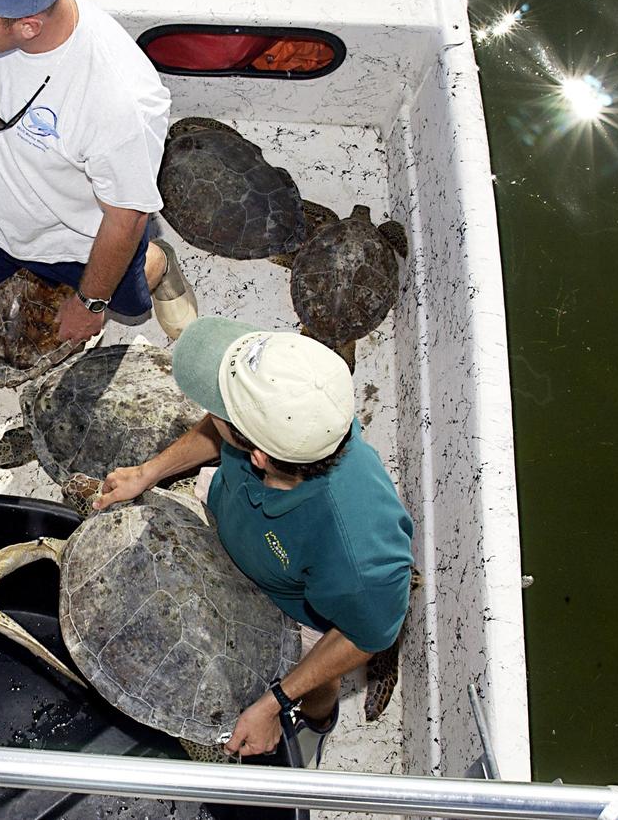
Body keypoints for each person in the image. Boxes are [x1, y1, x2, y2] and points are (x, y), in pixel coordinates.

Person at [0, 0, 199, 467]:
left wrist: (90, 301)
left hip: (73, 238)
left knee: (128, 299)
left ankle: (162, 264)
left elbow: (126, 216)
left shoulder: (119, 100)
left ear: (28, 25)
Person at [93, 317, 414, 766]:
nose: (214, 412)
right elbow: (220, 427)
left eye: (225, 410)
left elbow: (365, 636)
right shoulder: (302, 418)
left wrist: (273, 704)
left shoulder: (361, 555)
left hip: (292, 612)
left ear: (257, 454)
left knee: (317, 680)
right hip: (235, 520)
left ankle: (318, 725)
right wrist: (148, 472)